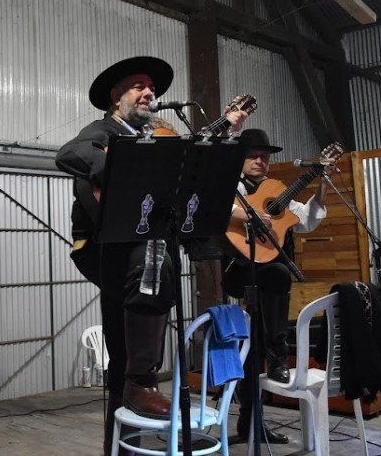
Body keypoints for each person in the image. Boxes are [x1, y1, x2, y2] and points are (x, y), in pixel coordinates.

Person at [55, 56, 248, 454]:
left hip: (144, 250)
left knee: (126, 344)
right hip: (102, 249)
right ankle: (141, 382)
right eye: (138, 86)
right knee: (154, 259)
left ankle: (125, 438)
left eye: (152, 89)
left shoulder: (157, 137)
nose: (149, 93)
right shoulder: (104, 131)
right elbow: (69, 153)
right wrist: (124, 169)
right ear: (117, 97)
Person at [222, 128, 330, 443]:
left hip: (267, 278)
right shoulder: (231, 186)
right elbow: (217, 206)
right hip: (240, 268)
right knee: (280, 274)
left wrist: (322, 185)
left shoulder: (276, 189)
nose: (260, 161)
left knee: (254, 345)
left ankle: (251, 424)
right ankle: (279, 355)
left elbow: (306, 219)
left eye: (264, 157)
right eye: (253, 156)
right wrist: (249, 215)